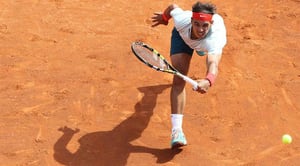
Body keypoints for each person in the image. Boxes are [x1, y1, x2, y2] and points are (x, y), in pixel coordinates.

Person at [151, 1, 227, 149]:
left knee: (205, 47)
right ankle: (177, 131)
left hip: (206, 44)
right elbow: (173, 6)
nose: (200, 29)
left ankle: (199, 46)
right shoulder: (182, 20)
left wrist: (208, 80)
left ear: (211, 23)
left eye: (205, 25)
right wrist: (165, 18)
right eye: (197, 24)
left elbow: (213, 64)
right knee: (179, 79)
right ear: (192, 20)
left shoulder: (215, 40)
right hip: (182, 37)